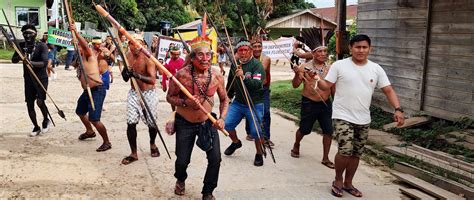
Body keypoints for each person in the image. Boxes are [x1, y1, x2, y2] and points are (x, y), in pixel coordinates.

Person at [316, 34, 405, 198]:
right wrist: (314, 79)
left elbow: (388, 90)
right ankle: (338, 180)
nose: (361, 50)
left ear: (370, 49)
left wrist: (398, 109)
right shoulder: (339, 65)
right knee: (345, 150)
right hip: (342, 115)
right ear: (350, 48)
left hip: (364, 118)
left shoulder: (376, 69)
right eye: (357, 47)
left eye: (364, 47)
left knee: (356, 153)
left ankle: (349, 183)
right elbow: (325, 85)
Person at [166, 33, 228, 200]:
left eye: (208, 54)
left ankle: (208, 191)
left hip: (208, 122)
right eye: (200, 54)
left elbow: (224, 99)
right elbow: (169, 97)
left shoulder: (216, 75)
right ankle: (180, 178)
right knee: (182, 161)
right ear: (192, 58)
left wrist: (222, 118)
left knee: (215, 159)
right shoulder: (182, 75)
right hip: (185, 123)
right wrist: (186, 103)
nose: (205, 58)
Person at [290, 45, 335, 170]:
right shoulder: (304, 67)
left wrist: (335, 102)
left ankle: (325, 158)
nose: (323, 53)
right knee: (304, 129)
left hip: (325, 103)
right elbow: (295, 85)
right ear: (313, 53)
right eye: (320, 51)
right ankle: (296, 144)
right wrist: (297, 74)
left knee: (328, 131)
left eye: (325, 51)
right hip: (309, 102)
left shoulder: (331, 68)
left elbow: (333, 87)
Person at [224, 39, 266, 166]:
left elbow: (257, 84)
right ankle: (236, 142)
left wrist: (244, 77)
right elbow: (231, 81)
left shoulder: (257, 65)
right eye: (240, 50)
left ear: (251, 51)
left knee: (255, 132)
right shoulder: (235, 64)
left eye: (245, 50)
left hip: (255, 103)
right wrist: (227, 96)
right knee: (227, 125)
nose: (243, 53)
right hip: (238, 102)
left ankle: (259, 153)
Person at [70, 23, 112, 152]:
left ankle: (107, 142)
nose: (77, 47)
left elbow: (83, 44)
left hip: (97, 90)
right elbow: (73, 64)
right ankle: (89, 131)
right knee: (80, 111)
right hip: (87, 91)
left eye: (78, 46)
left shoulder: (89, 55)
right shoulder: (80, 58)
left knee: (95, 118)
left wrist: (76, 33)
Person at [120, 34, 160, 165]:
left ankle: (153, 144)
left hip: (148, 93)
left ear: (143, 45)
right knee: (131, 123)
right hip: (133, 93)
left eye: (137, 44)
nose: (134, 47)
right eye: (131, 44)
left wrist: (137, 75)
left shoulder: (148, 58)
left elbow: (153, 80)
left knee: (151, 123)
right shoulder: (128, 56)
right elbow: (126, 78)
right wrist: (126, 73)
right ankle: (133, 153)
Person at [11, 24, 51, 136]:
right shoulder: (21, 45)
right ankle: (36, 127)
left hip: (40, 78)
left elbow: (44, 63)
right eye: (25, 33)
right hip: (28, 79)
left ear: (35, 34)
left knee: (40, 101)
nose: (27, 35)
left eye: (30, 33)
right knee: (29, 103)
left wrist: (30, 63)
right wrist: (19, 56)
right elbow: (13, 60)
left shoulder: (41, 46)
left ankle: (46, 120)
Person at [244, 39, 273, 145]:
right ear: (251, 48)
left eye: (259, 46)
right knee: (249, 110)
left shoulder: (266, 59)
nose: (257, 49)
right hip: (250, 88)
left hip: (263, 89)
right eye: (254, 46)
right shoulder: (246, 59)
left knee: (265, 112)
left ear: (262, 48)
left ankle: (266, 137)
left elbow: (260, 69)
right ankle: (250, 132)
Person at [162, 46, 185, 111]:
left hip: (182, 82)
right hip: (172, 83)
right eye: (174, 54)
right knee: (172, 98)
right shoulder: (168, 61)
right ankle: (173, 111)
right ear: (171, 54)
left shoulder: (183, 60)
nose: (176, 56)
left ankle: (181, 111)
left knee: (182, 97)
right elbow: (164, 74)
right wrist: (164, 85)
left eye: (178, 54)